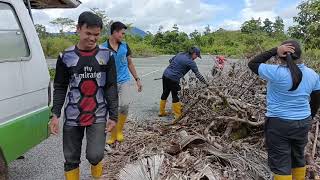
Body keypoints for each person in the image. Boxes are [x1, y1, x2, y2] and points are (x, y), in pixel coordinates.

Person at [49, 12, 118, 179]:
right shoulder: (65, 57)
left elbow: (110, 87)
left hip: (98, 114)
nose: (92, 39)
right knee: (71, 158)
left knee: (95, 156)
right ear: (78, 29)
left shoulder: (107, 55)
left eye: (96, 34)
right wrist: (55, 114)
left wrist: (114, 115)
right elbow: (59, 87)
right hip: (73, 115)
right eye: (88, 33)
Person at [248, 40, 320, 180]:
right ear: (300, 55)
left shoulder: (275, 72)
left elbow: (253, 64)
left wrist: (275, 49)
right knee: (298, 156)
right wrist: (309, 117)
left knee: (281, 162)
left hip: (278, 124)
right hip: (303, 122)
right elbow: (317, 99)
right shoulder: (313, 74)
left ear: (280, 56)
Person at [102, 21, 142, 145]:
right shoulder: (102, 48)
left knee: (124, 106)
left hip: (124, 80)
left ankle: (119, 131)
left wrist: (137, 79)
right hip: (110, 83)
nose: (123, 36)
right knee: (112, 109)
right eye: (122, 33)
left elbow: (130, 63)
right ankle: (113, 135)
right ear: (114, 32)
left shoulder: (125, 46)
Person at [159, 47, 209, 120]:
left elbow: (170, 61)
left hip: (165, 74)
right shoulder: (191, 62)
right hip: (174, 78)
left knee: (165, 92)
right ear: (194, 54)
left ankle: (161, 112)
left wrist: (178, 67)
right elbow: (198, 75)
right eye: (197, 56)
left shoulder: (180, 54)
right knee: (175, 96)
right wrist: (206, 83)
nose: (196, 58)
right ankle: (177, 116)